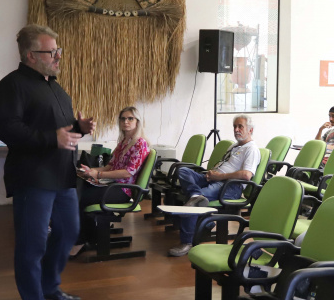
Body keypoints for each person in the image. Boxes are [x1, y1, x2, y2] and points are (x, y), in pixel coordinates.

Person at [0, 24, 96, 300]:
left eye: (57, 50)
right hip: (33, 178)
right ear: (29, 56)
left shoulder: (55, 87)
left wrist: (79, 128)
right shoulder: (11, 87)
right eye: (51, 52)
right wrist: (52, 138)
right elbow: (6, 129)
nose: (57, 56)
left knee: (68, 232)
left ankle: (50, 286)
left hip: (62, 176)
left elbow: (62, 134)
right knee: (32, 244)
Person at [167, 115, 261, 257]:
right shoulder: (234, 146)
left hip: (229, 186)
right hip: (214, 178)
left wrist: (219, 176)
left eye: (240, 126)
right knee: (183, 171)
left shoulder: (251, 149)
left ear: (250, 130)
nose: (236, 130)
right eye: (235, 126)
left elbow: (247, 175)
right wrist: (211, 174)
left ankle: (187, 242)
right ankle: (196, 198)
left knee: (193, 205)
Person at [73, 106, 151, 254]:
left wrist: (98, 175)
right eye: (123, 118)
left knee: (82, 198)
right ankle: (88, 235)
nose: (126, 122)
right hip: (112, 185)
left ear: (137, 122)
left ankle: (82, 240)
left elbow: (128, 173)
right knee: (80, 189)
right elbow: (110, 166)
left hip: (122, 191)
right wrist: (91, 171)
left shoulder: (140, 144)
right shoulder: (123, 142)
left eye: (130, 118)